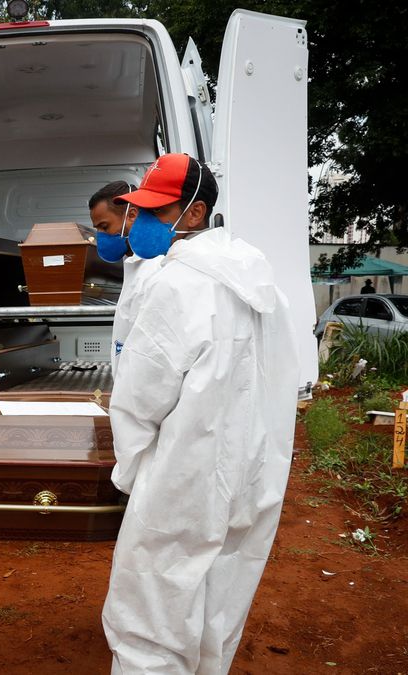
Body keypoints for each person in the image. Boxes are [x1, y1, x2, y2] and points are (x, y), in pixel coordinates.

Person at [101, 153, 299, 674]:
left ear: (195, 213)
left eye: (156, 212)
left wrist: (135, 473)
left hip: (183, 478)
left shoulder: (177, 283)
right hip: (254, 476)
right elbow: (288, 380)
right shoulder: (266, 287)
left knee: (151, 617)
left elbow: (140, 397)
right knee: (220, 605)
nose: (143, 224)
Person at [88, 180, 152, 371]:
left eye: (105, 227)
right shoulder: (131, 264)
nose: (101, 236)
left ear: (132, 215)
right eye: (97, 229)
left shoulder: (152, 269)